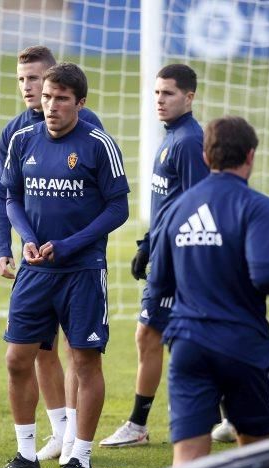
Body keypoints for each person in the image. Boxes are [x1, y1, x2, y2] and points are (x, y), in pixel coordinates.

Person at [0, 62, 129, 468]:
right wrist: (25, 239)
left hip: (82, 271)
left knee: (84, 361)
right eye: (47, 97)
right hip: (34, 272)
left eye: (61, 99)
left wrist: (69, 244)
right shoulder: (22, 139)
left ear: (80, 104)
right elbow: (11, 195)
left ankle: (80, 460)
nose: (51, 106)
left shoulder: (98, 144)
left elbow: (118, 208)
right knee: (17, 359)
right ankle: (26, 455)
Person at [148, 117, 269, 466]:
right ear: (250, 155)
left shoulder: (174, 209)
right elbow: (264, 274)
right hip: (244, 346)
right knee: (257, 451)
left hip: (188, 345)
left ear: (204, 156)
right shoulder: (258, 205)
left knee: (187, 458)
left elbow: (158, 285)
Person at [99, 64, 208, 448]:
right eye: (157, 93)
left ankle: (138, 425)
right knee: (173, 338)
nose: (159, 100)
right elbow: (169, 205)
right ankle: (224, 415)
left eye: (169, 93)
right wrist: (147, 243)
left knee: (153, 335)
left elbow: (198, 207)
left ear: (189, 97)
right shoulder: (172, 137)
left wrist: (178, 259)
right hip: (161, 254)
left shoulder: (189, 142)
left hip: (177, 262)